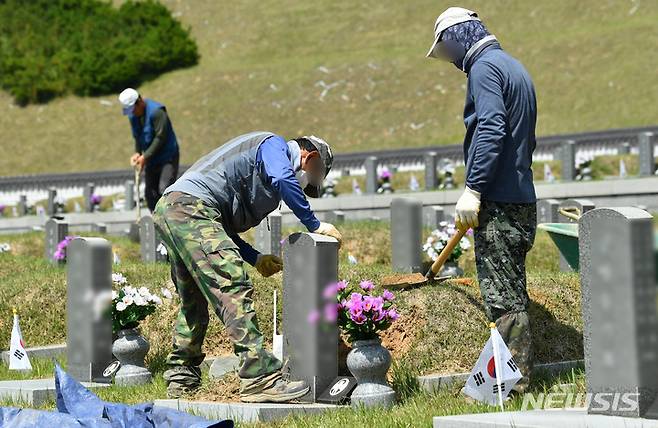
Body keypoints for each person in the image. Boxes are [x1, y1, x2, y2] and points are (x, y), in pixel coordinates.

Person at [153, 131, 342, 402]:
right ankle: (258, 377)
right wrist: (313, 223)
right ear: (309, 158)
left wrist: (254, 257)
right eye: (309, 181)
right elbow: (282, 178)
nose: (304, 188)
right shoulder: (273, 145)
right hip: (191, 207)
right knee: (232, 286)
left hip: (172, 208)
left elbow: (219, 228)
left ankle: (181, 378)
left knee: (193, 300)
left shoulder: (263, 164)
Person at [426, 7, 538, 393]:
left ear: (457, 37)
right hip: (522, 196)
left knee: (503, 296)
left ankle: (511, 385)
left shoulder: (484, 69)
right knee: (512, 288)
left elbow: (492, 127)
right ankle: (507, 379)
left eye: (447, 50)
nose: (451, 61)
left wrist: (474, 188)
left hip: (499, 201)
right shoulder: (514, 66)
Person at [118, 88, 180, 212]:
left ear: (139, 101)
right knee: (150, 195)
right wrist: (137, 153)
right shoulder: (133, 116)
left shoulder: (157, 112)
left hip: (167, 157)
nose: (133, 113)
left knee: (164, 191)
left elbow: (160, 137)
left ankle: (172, 223)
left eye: (133, 109)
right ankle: (156, 225)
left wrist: (144, 157)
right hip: (151, 159)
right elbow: (137, 136)